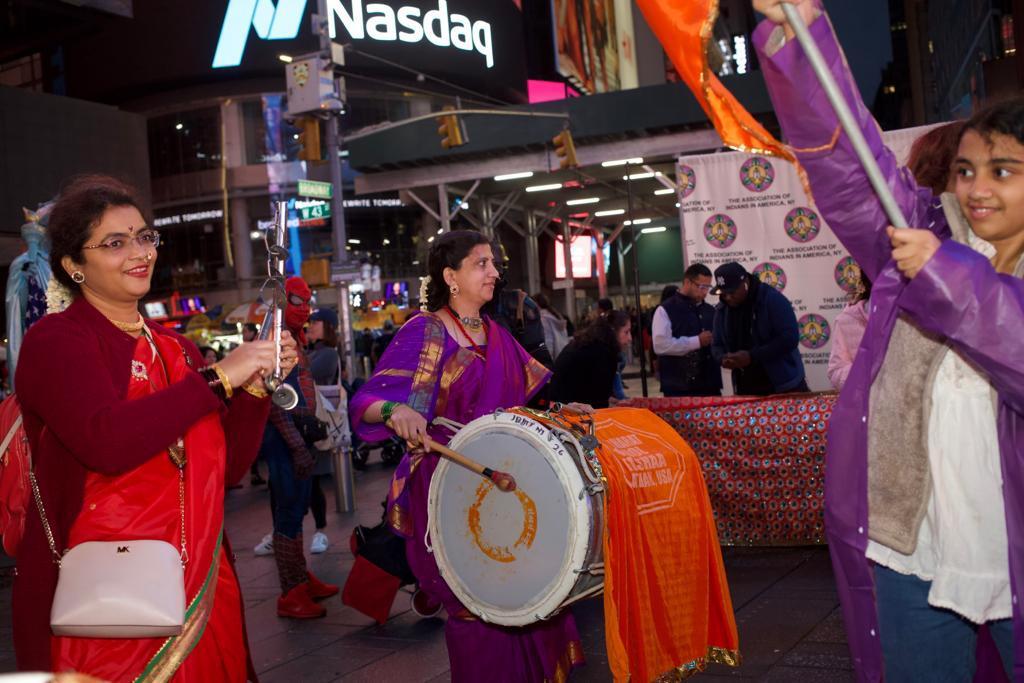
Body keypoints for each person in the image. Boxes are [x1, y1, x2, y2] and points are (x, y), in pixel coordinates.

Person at [754, 1, 1024, 679]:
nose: (977, 189)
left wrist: (944, 274)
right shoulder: (920, 240)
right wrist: (800, 34)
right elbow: (851, 170)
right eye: (966, 170)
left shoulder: (937, 264)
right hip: (913, 552)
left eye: (1003, 170)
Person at [12, 174, 297, 679]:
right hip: (101, 591)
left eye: (145, 236)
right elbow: (106, 442)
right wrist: (215, 379)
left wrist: (253, 387)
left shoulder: (178, 349)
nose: (140, 252)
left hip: (197, 581)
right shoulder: (57, 342)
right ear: (74, 266)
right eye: (115, 243)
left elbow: (226, 469)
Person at [350, 230, 584, 682]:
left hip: (507, 481)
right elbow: (365, 402)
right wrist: (396, 410)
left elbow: (522, 406)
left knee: (527, 593)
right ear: (450, 277)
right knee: (476, 604)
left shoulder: (497, 333)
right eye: (481, 264)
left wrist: (559, 410)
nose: (494, 272)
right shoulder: (425, 330)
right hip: (448, 482)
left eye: (493, 263)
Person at [259, 276, 339, 618]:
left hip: (297, 437)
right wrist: (296, 446)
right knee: (288, 516)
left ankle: (300, 580)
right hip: (285, 440)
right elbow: (274, 402)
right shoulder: (275, 340)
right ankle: (291, 593)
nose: (304, 307)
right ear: (280, 300)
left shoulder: (291, 337)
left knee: (296, 512)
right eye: (297, 300)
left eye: (308, 300)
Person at [710, 262, 807, 395]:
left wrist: (752, 356)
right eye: (723, 293)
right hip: (745, 387)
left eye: (731, 292)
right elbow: (716, 344)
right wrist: (722, 358)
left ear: (745, 282)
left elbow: (789, 338)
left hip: (782, 385)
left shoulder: (772, 299)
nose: (727, 297)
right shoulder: (722, 309)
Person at [653, 263, 722, 397]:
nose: (705, 292)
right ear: (688, 282)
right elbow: (660, 345)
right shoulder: (665, 310)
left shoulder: (711, 311)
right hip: (678, 388)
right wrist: (697, 341)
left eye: (708, 287)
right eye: (701, 287)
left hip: (710, 386)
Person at [305, 306, 342, 554]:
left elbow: (306, 376)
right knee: (307, 483)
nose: (310, 325)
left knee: (313, 482)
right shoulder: (313, 352)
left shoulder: (327, 354)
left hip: (317, 424)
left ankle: (321, 531)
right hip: (307, 424)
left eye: (315, 322)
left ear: (327, 326)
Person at [548, 310, 632, 409]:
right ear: (613, 331)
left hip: (557, 404)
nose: (630, 338)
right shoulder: (603, 353)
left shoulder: (588, 344)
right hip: (567, 411)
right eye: (626, 332)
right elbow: (599, 402)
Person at [826, 270, 871, 392]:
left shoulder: (909, 320)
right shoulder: (846, 320)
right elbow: (835, 373)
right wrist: (867, 370)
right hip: (863, 405)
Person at [534, 292, 570, 360]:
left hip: (554, 360)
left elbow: (548, 341)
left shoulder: (544, 318)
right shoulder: (556, 316)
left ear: (536, 304)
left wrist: (548, 360)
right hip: (563, 356)